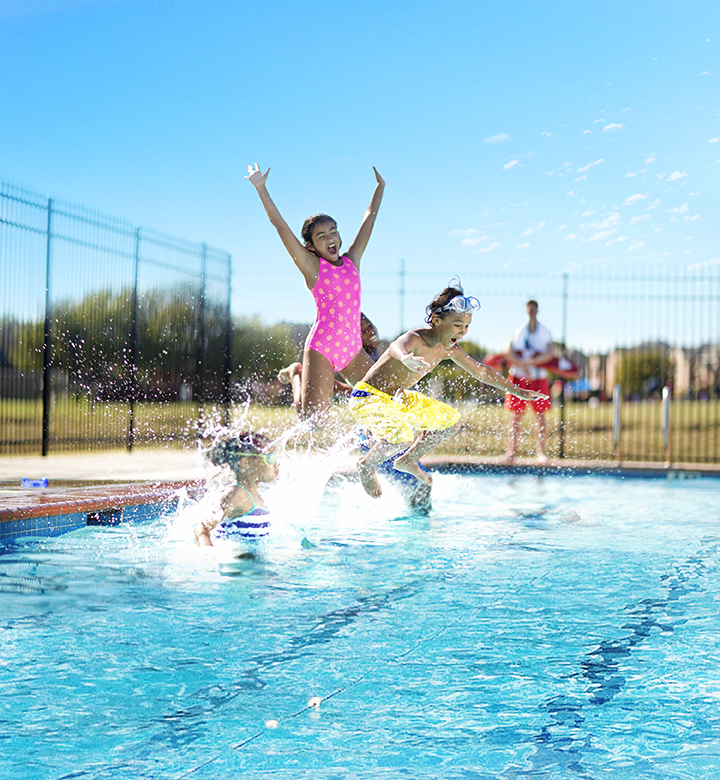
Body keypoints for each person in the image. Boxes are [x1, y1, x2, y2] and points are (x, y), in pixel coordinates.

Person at [349, 282, 548, 498]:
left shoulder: (449, 349)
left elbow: (481, 371)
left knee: (451, 421)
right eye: (457, 325)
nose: (462, 332)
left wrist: (517, 390)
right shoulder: (415, 338)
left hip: (397, 399)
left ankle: (408, 459)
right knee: (401, 437)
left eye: (466, 326)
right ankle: (366, 465)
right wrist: (406, 358)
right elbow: (397, 347)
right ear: (436, 320)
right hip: (368, 397)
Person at [246, 163, 385, 423]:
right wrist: (261, 188)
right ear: (310, 245)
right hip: (323, 347)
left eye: (334, 231)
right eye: (322, 236)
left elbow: (370, 217)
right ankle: (297, 374)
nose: (330, 238)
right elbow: (279, 226)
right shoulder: (312, 267)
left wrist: (380, 187)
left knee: (384, 399)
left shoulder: (352, 260)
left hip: (353, 349)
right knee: (313, 423)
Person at [280, 312, 380, 411]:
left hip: (366, 395)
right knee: (309, 415)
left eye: (370, 325)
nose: (370, 331)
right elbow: (334, 384)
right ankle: (295, 374)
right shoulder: (351, 357)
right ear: (353, 336)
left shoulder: (374, 354)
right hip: (361, 393)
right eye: (362, 330)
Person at [194, 431, 279, 548]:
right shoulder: (238, 494)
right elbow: (202, 526)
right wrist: (208, 552)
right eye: (270, 458)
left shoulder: (257, 496)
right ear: (246, 463)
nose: (276, 463)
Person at [501, 299, 555, 464]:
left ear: (537, 310)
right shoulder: (518, 332)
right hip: (519, 377)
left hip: (538, 377)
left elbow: (551, 352)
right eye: (530, 309)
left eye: (534, 309)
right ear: (526, 310)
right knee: (516, 416)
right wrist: (522, 366)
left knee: (540, 416)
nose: (532, 311)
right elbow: (509, 351)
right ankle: (512, 452)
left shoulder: (545, 332)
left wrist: (533, 363)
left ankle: (541, 453)